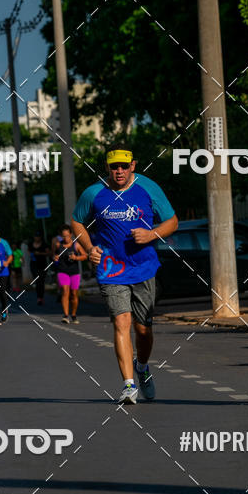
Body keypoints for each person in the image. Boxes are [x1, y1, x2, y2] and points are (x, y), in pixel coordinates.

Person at [71, 148, 178, 404]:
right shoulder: (94, 193)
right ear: (107, 168)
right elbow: (77, 221)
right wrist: (89, 248)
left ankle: (142, 368)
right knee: (121, 323)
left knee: (143, 330)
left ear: (133, 165)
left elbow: (172, 221)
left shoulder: (148, 188)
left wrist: (151, 235)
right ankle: (128, 385)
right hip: (111, 269)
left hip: (143, 267)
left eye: (124, 166)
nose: (119, 171)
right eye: (114, 167)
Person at [53, 223, 87, 324]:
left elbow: (85, 256)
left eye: (67, 236)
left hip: (74, 272)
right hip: (62, 271)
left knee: (73, 294)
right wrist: (55, 258)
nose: (66, 238)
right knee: (65, 291)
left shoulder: (76, 245)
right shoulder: (58, 245)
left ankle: (74, 314)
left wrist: (76, 258)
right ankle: (65, 315)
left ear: (71, 234)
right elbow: (54, 256)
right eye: (63, 236)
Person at [29, 232, 49, 304]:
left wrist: (40, 254)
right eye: (35, 236)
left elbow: (48, 253)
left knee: (41, 281)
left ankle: (41, 297)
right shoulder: (31, 244)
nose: (37, 238)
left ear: (40, 237)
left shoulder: (44, 244)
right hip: (34, 264)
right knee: (37, 281)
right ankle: (38, 297)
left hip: (42, 265)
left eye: (38, 236)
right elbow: (29, 252)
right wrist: (32, 254)